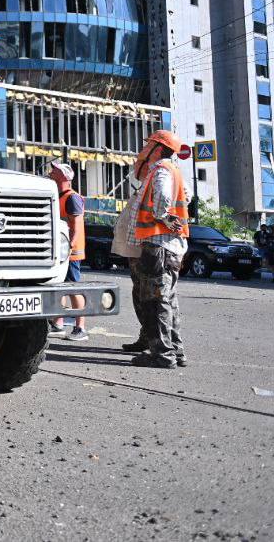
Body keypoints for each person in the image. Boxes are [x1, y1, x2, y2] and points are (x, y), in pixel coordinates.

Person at [121, 130, 189, 369]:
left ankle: (162, 354)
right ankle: (176, 351)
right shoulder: (173, 170)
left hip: (157, 246)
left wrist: (162, 216)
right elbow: (186, 198)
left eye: (148, 144)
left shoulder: (161, 170)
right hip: (170, 246)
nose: (144, 149)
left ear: (157, 148)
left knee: (154, 301)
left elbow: (162, 199)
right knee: (168, 300)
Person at [48, 161, 88, 341]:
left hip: (70, 251)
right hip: (61, 250)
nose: (51, 172)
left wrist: (70, 245)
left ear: (64, 176)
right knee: (60, 287)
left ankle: (80, 328)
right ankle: (58, 324)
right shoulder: (59, 195)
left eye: (54, 171)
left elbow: (76, 224)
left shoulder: (71, 198)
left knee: (73, 287)